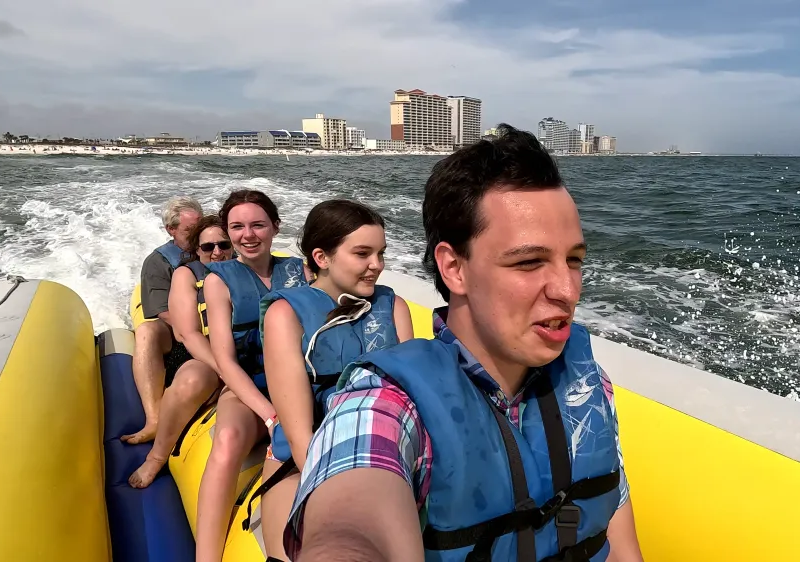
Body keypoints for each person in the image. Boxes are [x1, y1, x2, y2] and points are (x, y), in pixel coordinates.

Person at [284, 125, 644, 562]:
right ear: (454, 268)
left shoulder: (588, 385)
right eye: (530, 262)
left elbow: (621, 542)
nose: (567, 290)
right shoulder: (387, 405)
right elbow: (349, 530)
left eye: (574, 260)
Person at [249, 199, 415, 562]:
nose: (377, 266)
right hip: (303, 462)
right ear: (321, 257)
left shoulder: (394, 307)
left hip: (385, 456)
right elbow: (299, 437)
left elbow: (412, 399)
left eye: (381, 253)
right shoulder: (285, 314)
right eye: (363, 253)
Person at [196, 189, 311, 562]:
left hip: (299, 385)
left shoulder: (302, 271)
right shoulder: (219, 280)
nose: (248, 235)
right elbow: (225, 360)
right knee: (227, 440)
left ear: (275, 227)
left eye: (258, 224)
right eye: (237, 227)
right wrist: (269, 414)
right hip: (249, 389)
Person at [127, 215, 233, 488]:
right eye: (208, 247)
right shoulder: (184, 273)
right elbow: (184, 331)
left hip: (242, 353)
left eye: (224, 245)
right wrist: (227, 370)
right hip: (199, 353)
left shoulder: (249, 271)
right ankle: (156, 455)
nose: (217, 252)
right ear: (197, 250)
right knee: (192, 379)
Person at [123, 197, 203, 444]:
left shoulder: (217, 248)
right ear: (172, 229)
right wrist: (197, 328)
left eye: (200, 228)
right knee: (147, 330)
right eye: (191, 231)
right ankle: (154, 419)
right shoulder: (159, 262)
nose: (198, 236)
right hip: (177, 329)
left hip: (220, 324)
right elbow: (162, 312)